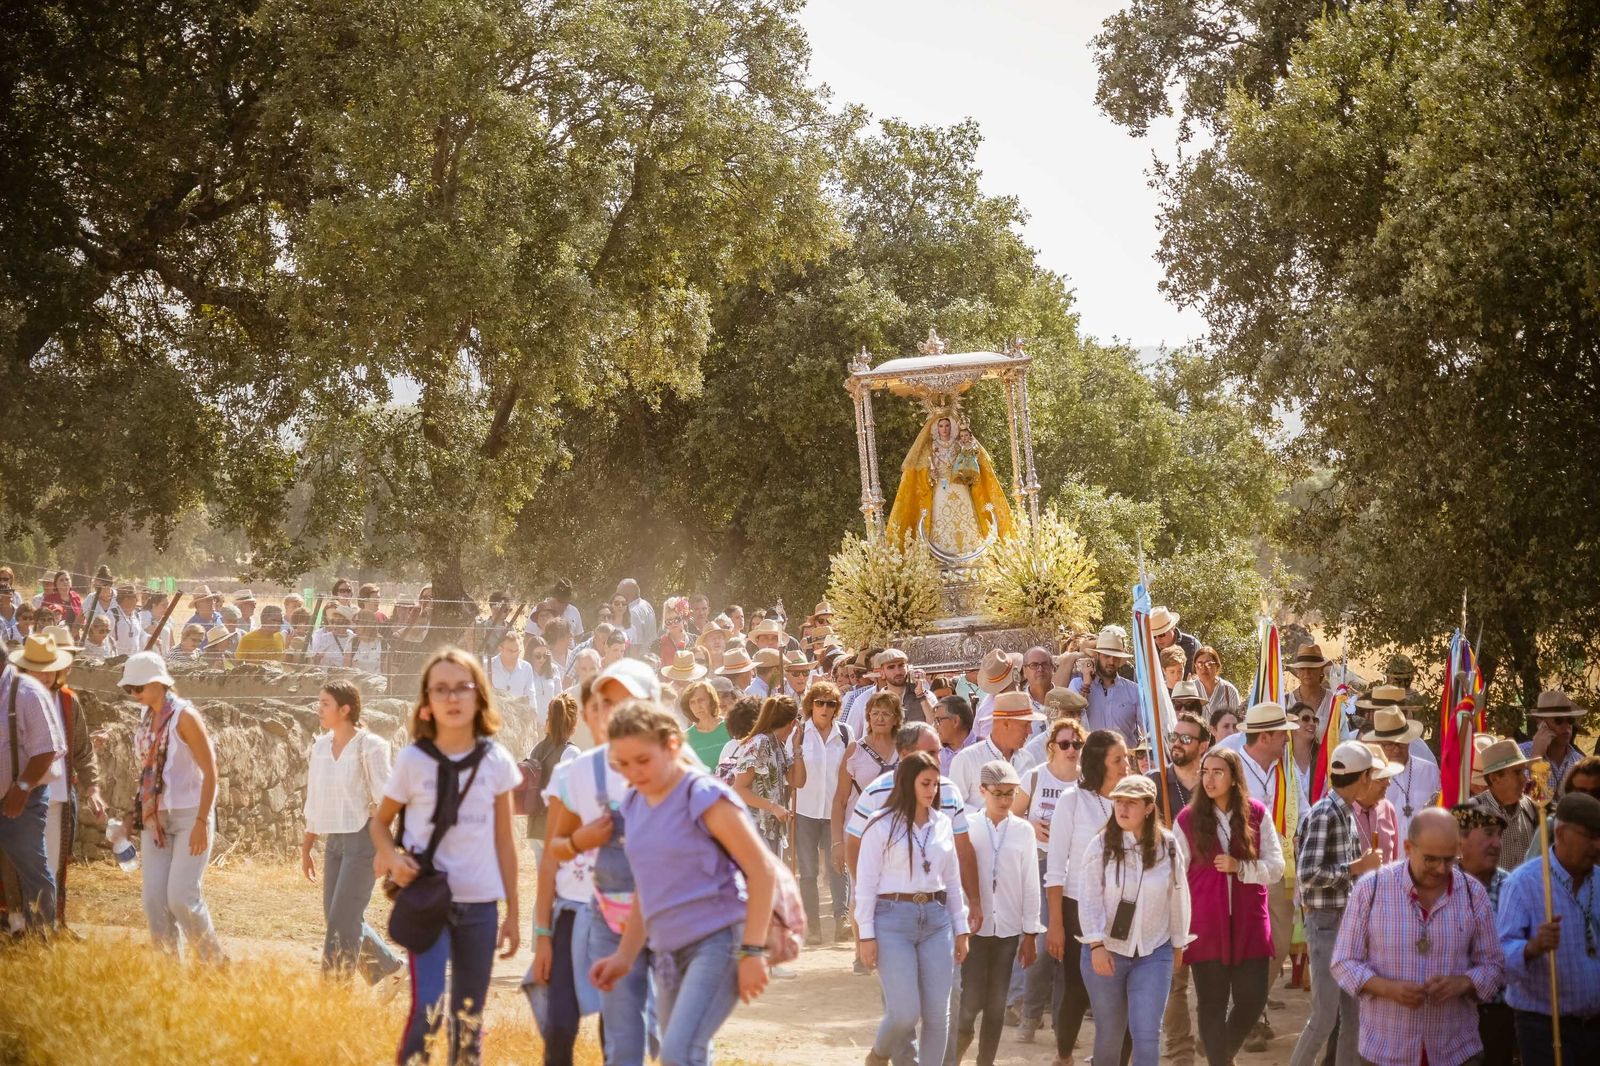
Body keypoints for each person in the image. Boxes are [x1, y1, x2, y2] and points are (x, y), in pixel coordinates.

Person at [589, 701, 776, 1066]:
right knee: (683, 1055)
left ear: (672, 745)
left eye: (643, 760)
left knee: (679, 1053)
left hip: (717, 942)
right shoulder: (634, 802)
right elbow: (647, 887)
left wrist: (753, 951)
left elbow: (761, 870)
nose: (633, 772)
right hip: (667, 952)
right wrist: (624, 956)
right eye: (623, 763)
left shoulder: (703, 795)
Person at [372, 647, 521, 1065]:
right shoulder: (413, 760)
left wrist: (513, 912)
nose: (452, 697)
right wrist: (392, 857)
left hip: (480, 907)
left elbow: (506, 841)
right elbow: (379, 823)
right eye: (441, 689)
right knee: (429, 1007)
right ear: (427, 702)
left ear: (479, 696)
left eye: (462, 687)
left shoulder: (496, 761)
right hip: (427, 904)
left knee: (468, 1018)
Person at [544, 660, 662, 1066]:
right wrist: (580, 840)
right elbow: (556, 848)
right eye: (606, 702)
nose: (613, 711)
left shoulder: (680, 770)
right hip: (609, 918)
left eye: (626, 701)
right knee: (621, 1039)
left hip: (670, 918)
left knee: (673, 1039)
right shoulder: (580, 772)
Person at [1331, 807, 1504, 1066]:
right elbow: (1344, 963)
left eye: (1449, 859)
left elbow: (1494, 966)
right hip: (1385, 1052)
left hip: (1456, 1051)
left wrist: (1462, 983)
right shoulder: (1371, 889)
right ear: (1408, 848)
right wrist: (1388, 989)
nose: (1440, 869)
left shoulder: (1473, 894)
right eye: (1431, 859)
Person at [855, 751, 971, 1066]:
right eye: (925, 783)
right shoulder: (880, 824)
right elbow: (865, 884)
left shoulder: (943, 823)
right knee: (905, 1012)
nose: (932, 790)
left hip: (937, 920)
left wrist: (961, 928)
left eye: (936, 784)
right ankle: (879, 1055)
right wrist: (866, 935)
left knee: (938, 1013)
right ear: (908, 783)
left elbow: (953, 881)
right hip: (892, 920)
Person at [1075, 774, 1193, 1066]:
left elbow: (1178, 896)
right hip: (1107, 949)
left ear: (1149, 808)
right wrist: (1096, 945)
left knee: (1148, 1034)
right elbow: (1088, 898)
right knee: (1110, 1035)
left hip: (1155, 950)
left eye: (1131, 802)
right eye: (1118, 801)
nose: (1122, 808)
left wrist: (1179, 942)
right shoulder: (1100, 844)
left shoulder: (1169, 846)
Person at [1175, 747, 1283, 1066]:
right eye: (1205, 772)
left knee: (1253, 1000)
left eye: (1218, 772)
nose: (1209, 779)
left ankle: (1220, 1052)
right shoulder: (1187, 820)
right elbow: (1175, 876)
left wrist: (1242, 868)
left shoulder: (1257, 813)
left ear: (1234, 777)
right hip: (1206, 926)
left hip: (1250, 923)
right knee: (1211, 1004)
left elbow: (1276, 867)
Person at [120, 650, 225, 961]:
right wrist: (133, 815)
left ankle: (215, 963)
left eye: (138, 687)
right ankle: (169, 973)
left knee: (181, 897)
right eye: (129, 689)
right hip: (155, 818)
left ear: (158, 683)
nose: (134, 694)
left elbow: (211, 772)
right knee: (154, 900)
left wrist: (202, 822)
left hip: (191, 814)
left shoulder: (185, 716)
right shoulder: (145, 717)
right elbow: (146, 773)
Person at [1286, 741, 1385, 1066]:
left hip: (1343, 923)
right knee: (1325, 1017)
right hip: (1326, 924)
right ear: (1363, 776)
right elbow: (1308, 875)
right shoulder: (1325, 814)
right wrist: (1356, 867)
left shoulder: (1341, 812)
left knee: (1352, 1018)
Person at [300, 680, 403, 986]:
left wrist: (385, 850)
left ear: (345, 710)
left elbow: (387, 799)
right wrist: (307, 845)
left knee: (342, 919)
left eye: (325, 704)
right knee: (337, 917)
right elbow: (315, 797)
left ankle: (333, 996)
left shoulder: (371, 746)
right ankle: (389, 968)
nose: (319, 709)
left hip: (364, 838)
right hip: (335, 839)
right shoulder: (320, 747)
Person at [1496, 791, 1600, 1065]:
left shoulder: (1599, 881)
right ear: (1561, 833)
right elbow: (1500, 959)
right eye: (1590, 836)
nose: (1597, 845)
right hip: (1545, 1028)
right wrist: (1533, 947)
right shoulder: (1523, 883)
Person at [1044, 729, 1129, 1062]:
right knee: (1078, 988)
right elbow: (1055, 868)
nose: (1126, 765)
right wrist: (1055, 923)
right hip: (1077, 906)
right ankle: (1064, 1056)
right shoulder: (1072, 801)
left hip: (1124, 909)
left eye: (1126, 758)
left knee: (1124, 991)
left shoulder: (1132, 800)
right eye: (1118, 759)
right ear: (1099, 762)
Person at [957, 760, 1041, 1066]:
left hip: (1007, 929)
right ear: (982, 790)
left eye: (1010, 793)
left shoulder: (1023, 831)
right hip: (974, 928)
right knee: (970, 1000)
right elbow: (956, 876)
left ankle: (986, 1061)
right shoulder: (967, 825)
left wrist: (1030, 933)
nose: (1005, 800)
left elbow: (1031, 882)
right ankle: (956, 1050)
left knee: (996, 1003)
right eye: (998, 793)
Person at [1013, 716, 1086, 1041]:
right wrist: (1030, 826)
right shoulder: (1035, 776)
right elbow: (1010, 814)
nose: (1071, 750)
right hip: (1041, 864)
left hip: (1076, 868)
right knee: (1044, 945)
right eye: (1065, 744)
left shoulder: (1086, 781)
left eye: (1077, 744)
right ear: (1051, 746)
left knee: (1070, 949)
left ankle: (1062, 1025)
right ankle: (1030, 1016)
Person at [884, 400, 1014, 556]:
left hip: (959, 484)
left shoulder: (960, 444)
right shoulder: (930, 447)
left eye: (947, 425)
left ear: (952, 426)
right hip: (941, 486)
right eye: (941, 426)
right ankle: (942, 554)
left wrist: (967, 468)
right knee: (941, 515)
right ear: (936, 428)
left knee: (965, 515)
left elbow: (972, 459)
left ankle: (969, 551)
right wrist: (930, 475)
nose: (944, 429)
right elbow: (923, 472)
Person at [0, 636, 67, 934]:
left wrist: (23, 787)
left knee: (31, 868)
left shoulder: (26, 693)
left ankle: (41, 938)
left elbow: (46, 749)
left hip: (21, 799)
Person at [1452, 802, 1515, 1064]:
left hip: (1500, 1017)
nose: (1497, 844)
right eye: (1488, 833)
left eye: (1499, 835)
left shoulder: (1513, 888)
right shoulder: (1441, 886)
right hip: (1451, 1018)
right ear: (1461, 840)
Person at [791, 680, 851, 943]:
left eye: (830, 703)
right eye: (820, 703)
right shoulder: (799, 733)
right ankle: (813, 926)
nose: (825, 708)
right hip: (805, 811)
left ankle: (841, 919)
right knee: (808, 871)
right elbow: (790, 774)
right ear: (810, 705)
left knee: (838, 865)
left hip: (835, 811)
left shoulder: (845, 733)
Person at [732, 696, 800, 858]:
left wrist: (797, 748)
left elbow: (797, 781)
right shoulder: (760, 743)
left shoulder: (778, 744)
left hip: (771, 829)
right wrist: (773, 807)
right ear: (792, 723)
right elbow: (739, 789)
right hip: (754, 828)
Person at [949, 690, 1039, 812]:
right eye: (1025, 725)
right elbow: (953, 806)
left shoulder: (1028, 759)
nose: (1030, 731)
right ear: (1005, 724)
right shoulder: (966, 759)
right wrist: (988, 816)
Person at [1362, 705, 1442, 839]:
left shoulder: (1430, 771)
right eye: (1389, 744)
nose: (1397, 749)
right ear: (1378, 744)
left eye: (1401, 742)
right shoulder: (1370, 776)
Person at [1468, 738, 1540, 869]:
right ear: (1494, 778)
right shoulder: (1473, 811)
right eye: (1517, 772)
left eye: (1523, 771)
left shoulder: (1531, 807)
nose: (1525, 779)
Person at [1070, 627, 1141, 745]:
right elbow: (1073, 720)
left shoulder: (1134, 690)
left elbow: (1148, 728)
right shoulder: (1077, 685)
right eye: (1106, 656)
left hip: (1125, 754)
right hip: (1091, 755)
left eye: (1116, 657)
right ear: (1097, 656)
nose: (1111, 662)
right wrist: (1086, 684)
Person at [1521, 689, 1587, 793]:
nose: (1566, 726)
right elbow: (1524, 796)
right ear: (1541, 724)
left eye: (1570, 720)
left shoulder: (1580, 762)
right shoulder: (1520, 755)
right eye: (1558, 720)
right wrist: (1536, 755)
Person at [679, 679, 730, 768]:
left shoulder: (730, 726)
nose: (697, 706)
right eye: (692, 702)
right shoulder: (686, 737)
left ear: (711, 700)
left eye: (701, 700)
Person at [1285, 644, 1334, 728]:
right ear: (1297, 671)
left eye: (1312, 668)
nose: (1307, 672)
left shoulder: (1333, 702)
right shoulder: (1286, 701)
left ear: (1321, 670)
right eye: (1302, 668)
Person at [1149, 606, 1199, 677]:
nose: (1158, 640)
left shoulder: (1192, 644)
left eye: (1161, 635)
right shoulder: (1150, 649)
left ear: (1172, 627)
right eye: (1154, 636)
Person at [933, 694, 975, 775]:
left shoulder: (983, 750)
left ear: (955, 721)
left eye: (938, 720)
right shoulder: (935, 754)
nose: (935, 726)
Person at [489, 631, 535, 701]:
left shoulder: (526, 668)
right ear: (500, 649)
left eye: (516, 651)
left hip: (519, 708)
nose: (514, 655)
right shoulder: (489, 666)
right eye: (510, 651)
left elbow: (530, 696)